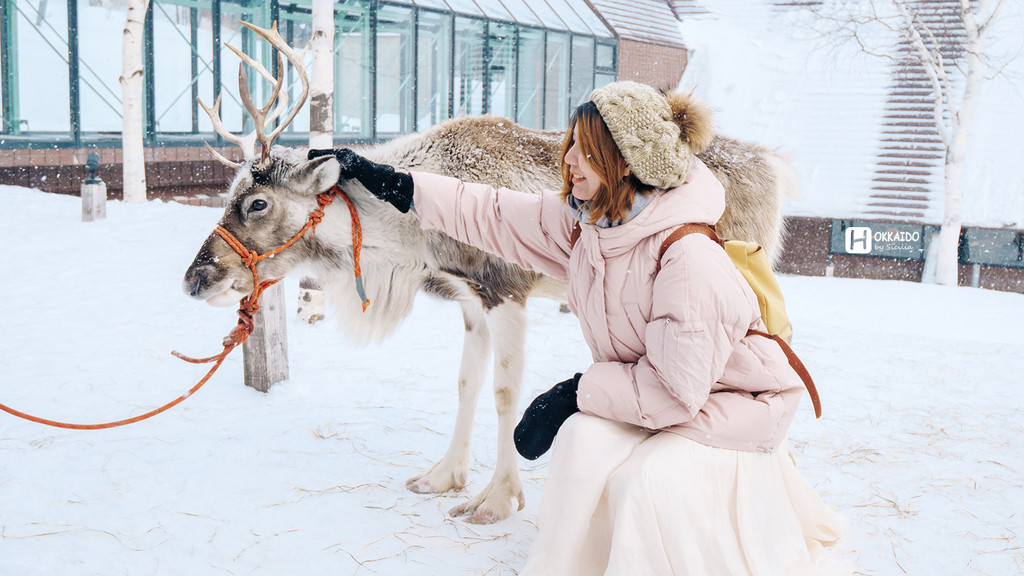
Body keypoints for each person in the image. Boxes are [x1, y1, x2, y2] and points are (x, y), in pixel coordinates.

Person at [310, 81, 845, 576]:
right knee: (578, 449)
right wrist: (389, 184)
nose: (565, 161)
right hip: (654, 396)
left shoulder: (689, 258)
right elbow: (490, 212)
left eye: (583, 150)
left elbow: (678, 393)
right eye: (570, 144)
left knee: (642, 484)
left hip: (725, 408)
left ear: (624, 162)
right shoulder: (590, 225)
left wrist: (574, 393)